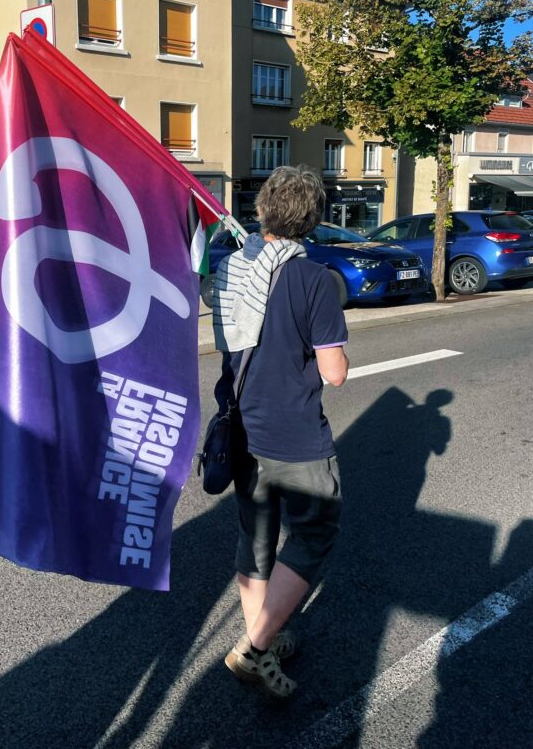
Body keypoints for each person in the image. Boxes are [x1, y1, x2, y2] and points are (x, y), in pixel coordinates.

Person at [212, 165, 349, 699]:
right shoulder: (313, 279)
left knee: (257, 537)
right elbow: (334, 373)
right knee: (315, 532)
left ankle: (261, 640)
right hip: (294, 435)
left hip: (243, 427)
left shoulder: (233, 272)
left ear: (263, 210)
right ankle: (253, 648)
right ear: (312, 220)